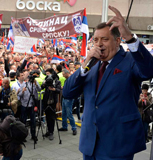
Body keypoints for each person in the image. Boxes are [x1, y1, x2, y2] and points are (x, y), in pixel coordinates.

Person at [63, 6, 153, 160]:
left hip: (118, 143)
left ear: (118, 41)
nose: (99, 44)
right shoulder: (90, 65)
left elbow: (148, 70)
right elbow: (67, 92)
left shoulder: (130, 61)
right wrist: (84, 65)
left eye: (105, 39)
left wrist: (130, 38)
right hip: (90, 143)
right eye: (96, 40)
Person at [18, 75, 41, 141]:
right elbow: (19, 95)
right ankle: (23, 136)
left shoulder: (35, 84)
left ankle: (33, 135)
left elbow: (39, 90)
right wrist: (22, 91)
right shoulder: (23, 84)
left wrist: (36, 84)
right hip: (24, 105)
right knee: (23, 121)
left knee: (33, 120)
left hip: (32, 104)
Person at [41, 68, 61, 140]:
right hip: (46, 101)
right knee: (47, 116)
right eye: (46, 74)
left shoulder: (57, 81)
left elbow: (59, 90)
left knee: (52, 118)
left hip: (52, 102)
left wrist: (54, 89)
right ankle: (48, 131)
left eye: (48, 74)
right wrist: (44, 83)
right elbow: (41, 88)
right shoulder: (46, 79)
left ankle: (51, 132)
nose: (47, 75)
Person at [59, 69, 77, 135]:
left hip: (68, 98)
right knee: (64, 113)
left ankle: (74, 128)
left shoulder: (71, 79)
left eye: (63, 74)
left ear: (67, 73)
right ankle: (64, 126)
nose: (63, 76)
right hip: (65, 98)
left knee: (69, 114)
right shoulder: (68, 79)